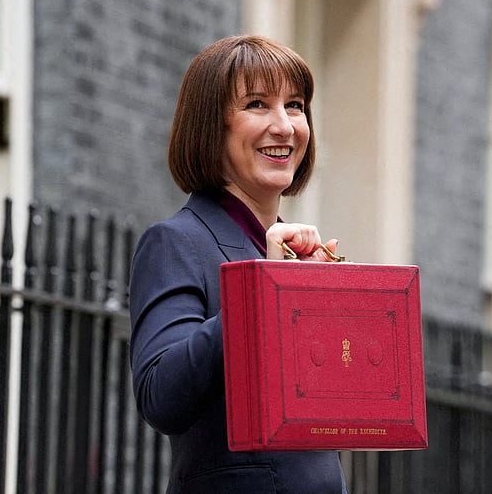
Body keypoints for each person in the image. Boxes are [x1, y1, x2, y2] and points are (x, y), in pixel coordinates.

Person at [128, 35, 348, 493]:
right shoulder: (177, 242)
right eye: (256, 104)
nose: (285, 126)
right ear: (211, 126)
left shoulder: (291, 255)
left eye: (295, 105)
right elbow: (161, 396)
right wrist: (265, 293)